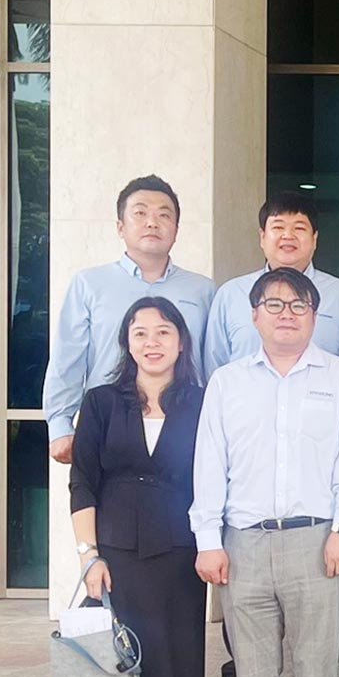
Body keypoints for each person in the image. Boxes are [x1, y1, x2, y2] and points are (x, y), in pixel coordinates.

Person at [189, 268, 339, 677]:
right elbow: (209, 465)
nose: (286, 312)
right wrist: (207, 541)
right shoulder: (228, 381)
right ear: (254, 315)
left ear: (315, 315)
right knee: (255, 675)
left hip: (317, 542)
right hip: (243, 544)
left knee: (316, 673)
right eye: (274, 303)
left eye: (298, 304)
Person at [69, 297, 206, 677]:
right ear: (128, 342)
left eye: (164, 332)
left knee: (172, 667)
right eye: (141, 333)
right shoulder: (102, 402)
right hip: (117, 553)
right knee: (116, 671)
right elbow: (82, 480)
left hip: (179, 552)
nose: (152, 342)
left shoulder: (200, 401)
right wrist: (89, 555)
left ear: (180, 342)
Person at [45, 175, 215, 465]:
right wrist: (60, 424)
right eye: (140, 213)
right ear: (120, 227)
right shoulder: (90, 283)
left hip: (185, 425)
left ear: (176, 229)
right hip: (106, 422)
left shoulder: (203, 290)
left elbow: (212, 362)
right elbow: (67, 358)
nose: (152, 222)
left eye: (164, 215)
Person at [202, 192, 339, 376]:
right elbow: (214, 369)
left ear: (314, 239)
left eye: (299, 228)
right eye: (278, 227)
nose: (288, 236)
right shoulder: (231, 294)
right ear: (262, 237)